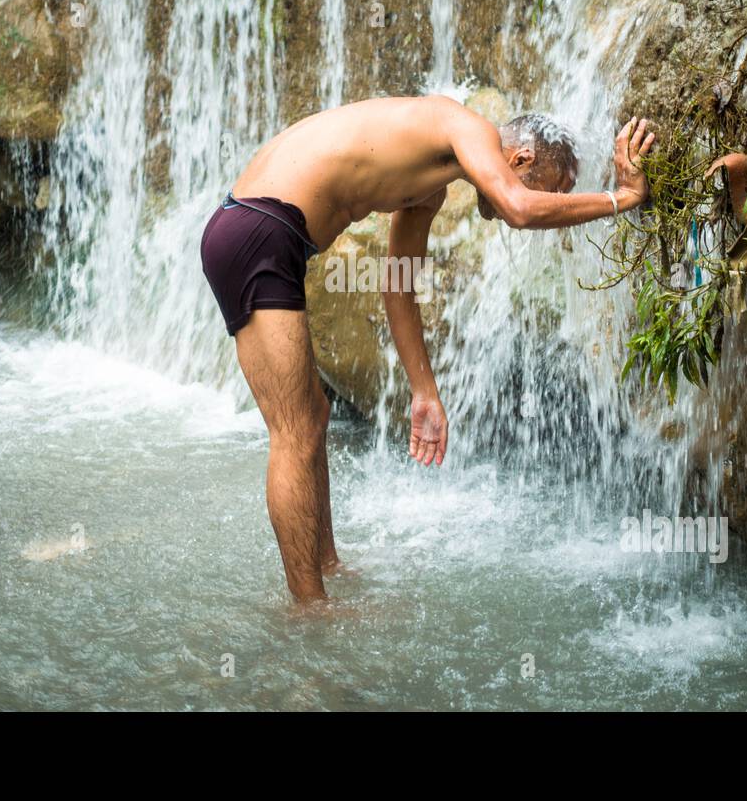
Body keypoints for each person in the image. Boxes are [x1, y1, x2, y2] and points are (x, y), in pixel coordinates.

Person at [200, 95, 655, 601]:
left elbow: (398, 286)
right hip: (260, 232)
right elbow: (522, 208)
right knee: (296, 430)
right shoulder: (465, 126)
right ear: (521, 158)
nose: (551, 203)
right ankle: (309, 608)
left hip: (265, 231)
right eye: (555, 190)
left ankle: (325, 565)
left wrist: (424, 391)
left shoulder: (430, 183)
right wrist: (621, 199)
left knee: (313, 415)